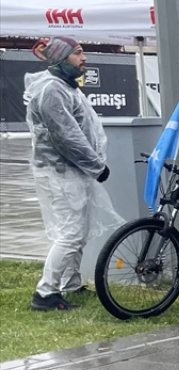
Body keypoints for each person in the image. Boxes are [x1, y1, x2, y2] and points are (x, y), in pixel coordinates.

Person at [24, 36, 121, 311]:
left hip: (71, 171)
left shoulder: (66, 87)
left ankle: (71, 283)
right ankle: (45, 293)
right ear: (60, 58)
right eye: (78, 53)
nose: (84, 58)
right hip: (61, 172)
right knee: (70, 233)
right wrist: (96, 165)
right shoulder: (52, 91)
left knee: (76, 230)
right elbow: (67, 137)